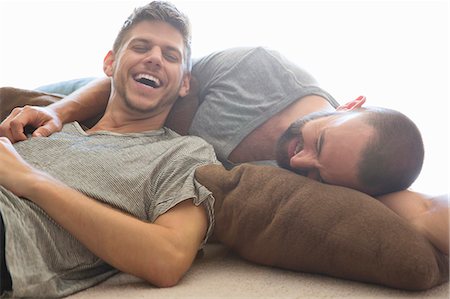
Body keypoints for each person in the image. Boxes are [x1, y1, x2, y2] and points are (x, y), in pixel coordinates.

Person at [0, 1, 219, 297]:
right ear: (109, 63)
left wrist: (30, 180)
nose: (155, 58)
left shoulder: (185, 153)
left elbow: (169, 257)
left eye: (170, 55)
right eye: (141, 47)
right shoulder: (47, 124)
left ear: (185, 83)